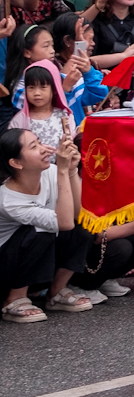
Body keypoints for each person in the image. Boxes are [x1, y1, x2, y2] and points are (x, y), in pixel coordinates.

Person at [0, 124, 78, 322]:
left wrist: (71, 170)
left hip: (33, 261)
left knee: (82, 228)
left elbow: (78, 213)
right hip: (5, 265)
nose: (44, 149)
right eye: (34, 146)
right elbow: (64, 223)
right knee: (42, 229)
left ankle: (56, 292)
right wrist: (62, 171)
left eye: (40, 142)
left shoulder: (50, 172)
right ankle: (14, 299)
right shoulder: (7, 199)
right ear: (16, 163)